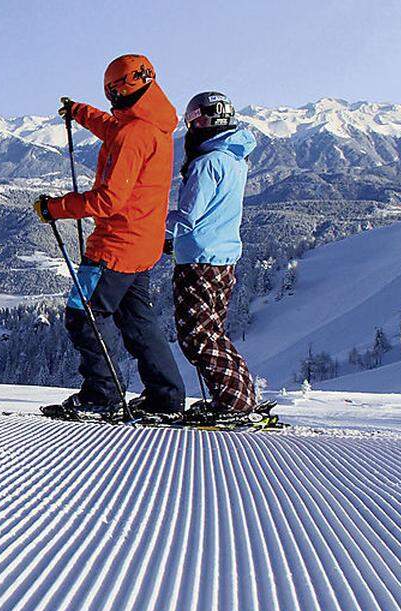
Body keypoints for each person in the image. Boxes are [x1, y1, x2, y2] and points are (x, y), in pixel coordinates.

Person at [32, 54, 185, 420]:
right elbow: (113, 129)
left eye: (110, 93)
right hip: (142, 245)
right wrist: (80, 112)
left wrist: (57, 208)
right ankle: (166, 397)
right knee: (138, 322)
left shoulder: (134, 134)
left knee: (82, 315)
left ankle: (101, 395)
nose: (110, 101)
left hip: (115, 246)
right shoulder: (152, 123)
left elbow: (108, 199)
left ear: (117, 90)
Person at [166, 91, 260, 422]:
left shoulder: (207, 164)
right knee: (211, 330)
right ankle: (240, 394)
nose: (190, 130)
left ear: (204, 123)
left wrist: (155, 231)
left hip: (199, 259)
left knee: (196, 335)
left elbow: (189, 215)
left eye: (192, 123)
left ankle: (232, 402)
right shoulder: (235, 159)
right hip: (222, 256)